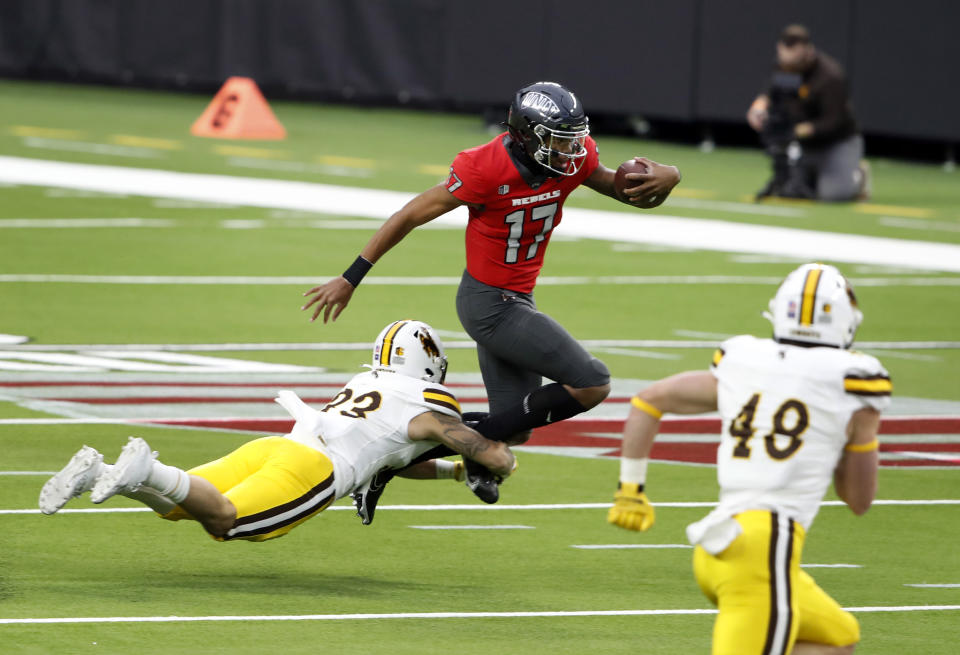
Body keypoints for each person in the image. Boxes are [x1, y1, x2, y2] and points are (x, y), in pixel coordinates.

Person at [302, 81, 682, 503]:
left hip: (517, 299)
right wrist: (351, 276)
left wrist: (669, 177)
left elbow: (624, 190)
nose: (571, 151)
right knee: (592, 383)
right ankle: (423, 451)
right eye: (558, 141)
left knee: (515, 427)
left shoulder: (574, 160)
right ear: (525, 135)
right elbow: (409, 214)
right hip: (489, 304)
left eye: (573, 140)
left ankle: (393, 459)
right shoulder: (484, 168)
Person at [608, 263, 891, 654]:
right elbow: (859, 500)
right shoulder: (853, 377)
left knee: (837, 637)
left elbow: (648, 401)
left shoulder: (744, 358)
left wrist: (630, 490)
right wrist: (861, 435)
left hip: (720, 547)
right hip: (765, 548)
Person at [39, 320, 516, 539]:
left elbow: (387, 460)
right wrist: (501, 458)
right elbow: (487, 452)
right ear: (430, 363)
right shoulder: (428, 407)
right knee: (225, 522)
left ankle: (105, 470)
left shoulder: (366, 381)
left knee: (180, 509)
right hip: (313, 469)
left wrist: (456, 473)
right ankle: (150, 469)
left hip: (278, 447)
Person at [747, 25, 869, 201]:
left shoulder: (829, 76)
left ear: (805, 51)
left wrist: (798, 130)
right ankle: (813, 175)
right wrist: (758, 107)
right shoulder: (786, 66)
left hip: (837, 143)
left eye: (791, 59)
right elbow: (771, 89)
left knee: (833, 195)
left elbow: (834, 121)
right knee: (792, 190)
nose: (786, 65)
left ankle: (856, 177)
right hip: (804, 145)